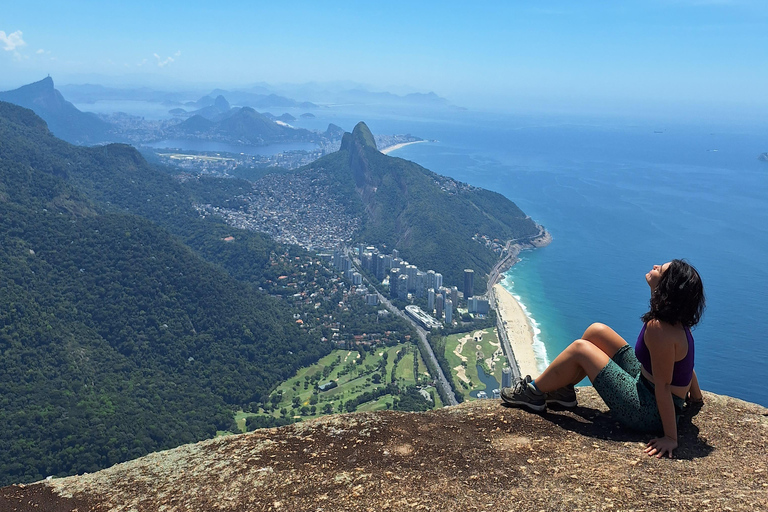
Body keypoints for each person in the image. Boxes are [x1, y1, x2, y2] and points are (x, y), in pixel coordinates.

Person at [500, 259, 705, 458]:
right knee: (596, 332)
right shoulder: (676, 323)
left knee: (581, 349)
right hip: (647, 387)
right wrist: (695, 398)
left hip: (649, 413)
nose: (655, 266)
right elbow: (687, 367)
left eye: (660, 270)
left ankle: (532, 393)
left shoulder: (660, 329)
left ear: (666, 290)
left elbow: (663, 385)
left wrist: (670, 437)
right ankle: (563, 392)